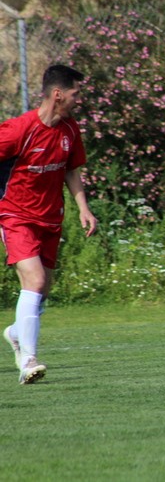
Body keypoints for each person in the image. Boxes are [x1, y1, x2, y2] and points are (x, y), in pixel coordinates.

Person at [1, 64, 98, 384]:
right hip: (15, 216)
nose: (78, 99)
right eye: (75, 93)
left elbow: (71, 170)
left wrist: (83, 208)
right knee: (36, 279)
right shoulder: (19, 129)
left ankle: (17, 333)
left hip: (50, 218)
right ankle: (28, 360)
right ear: (58, 94)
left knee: (42, 289)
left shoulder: (70, 129)